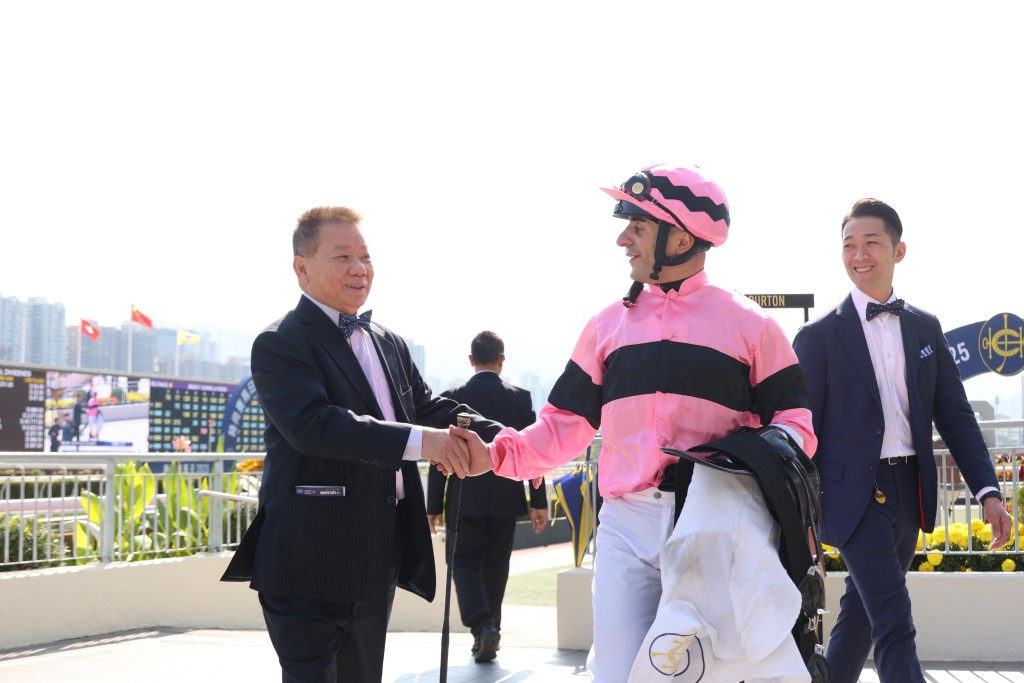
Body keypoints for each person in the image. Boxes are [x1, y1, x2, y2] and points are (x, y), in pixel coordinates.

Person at [451, 164, 818, 683]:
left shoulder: (753, 327)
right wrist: (496, 455)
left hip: (715, 519)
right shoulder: (606, 325)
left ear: (682, 236)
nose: (623, 239)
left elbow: (796, 421)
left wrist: (769, 452)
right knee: (620, 674)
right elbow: (562, 426)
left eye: (638, 227)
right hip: (626, 523)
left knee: (703, 674)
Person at [220, 206, 503, 683]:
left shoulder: (387, 340)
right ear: (302, 267)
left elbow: (429, 407)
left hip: (378, 555)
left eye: (366, 257)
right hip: (309, 559)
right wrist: (424, 444)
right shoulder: (280, 342)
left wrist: (513, 441)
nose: (359, 268)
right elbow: (315, 425)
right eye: (343, 256)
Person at [792, 198, 1012, 683]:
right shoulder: (818, 336)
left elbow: (955, 416)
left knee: (863, 615)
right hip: (852, 498)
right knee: (894, 619)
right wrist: (803, 516)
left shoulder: (924, 326)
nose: (859, 254)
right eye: (849, 245)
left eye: (872, 242)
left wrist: (988, 491)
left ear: (899, 250)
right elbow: (802, 434)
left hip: (908, 490)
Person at [426, 331, 549, 664]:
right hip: (506, 496)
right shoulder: (521, 399)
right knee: (497, 566)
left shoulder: (452, 398)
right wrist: (538, 501)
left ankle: (481, 627)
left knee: (462, 563)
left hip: (463, 497)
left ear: (470, 360)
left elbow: (441, 454)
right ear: (501, 360)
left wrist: (432, 506)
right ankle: (490, 627)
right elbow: (533, 453)